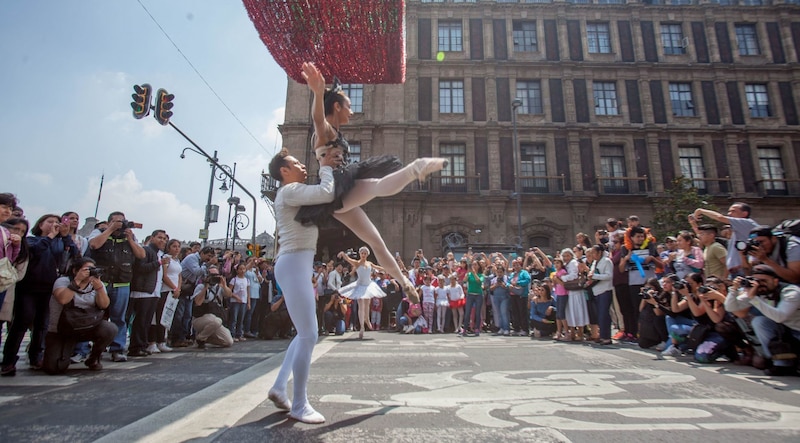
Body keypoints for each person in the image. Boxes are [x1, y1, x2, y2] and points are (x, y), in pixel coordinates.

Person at [294, 62, 446, 302]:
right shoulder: (325, 132)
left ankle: (403, 281)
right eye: (349, 106)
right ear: (336, 105)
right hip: (335, 187)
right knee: (375, 186)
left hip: (338, 198)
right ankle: (414, 169)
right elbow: (316, 118)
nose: (352, 112)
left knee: (376, 242)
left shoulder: (334, 132)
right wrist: (317, 92)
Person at [266, 144, 340, 424]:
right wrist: (326, 167)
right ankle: (299, 404)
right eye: (296, 163)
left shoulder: (290, 193)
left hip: (296, 264)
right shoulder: (291, 191)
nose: (302, 165)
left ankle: (279, 386)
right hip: (295, 263)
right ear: (284, 171)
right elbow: (326, 192)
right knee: (309, 334)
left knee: (303, 334)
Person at [2, 214, 79, 375]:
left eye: (56, 222)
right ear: (40, 224)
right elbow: (35, 252)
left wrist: (65, 237)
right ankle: (9, 360)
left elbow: (74, 255)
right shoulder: (31, 240)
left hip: (48, 289)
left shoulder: (59, 243)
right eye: (49, 222)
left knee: (42, 325)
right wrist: (51, 236)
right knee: (21, 323)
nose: (54, 225)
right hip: (28, 288)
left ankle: (36, 356)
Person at [86, 211, 146, 362]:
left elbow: (141, 255)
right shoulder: (100, 233)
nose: (120, 224)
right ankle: (87, 348)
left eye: (122, 221)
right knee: (94, 316)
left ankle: (117, 349)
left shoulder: (128, 237)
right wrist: (110, 229)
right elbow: (94, 245)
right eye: (116, 221)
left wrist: (130, 238)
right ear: (109, 222)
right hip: (102, 282)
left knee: (119, 318)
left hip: (122, 282)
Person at [42, 257, 117, 374]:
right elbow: (63, 299)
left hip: (87, 327)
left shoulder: (96, 284)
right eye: (86, 269)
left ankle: (93, 358)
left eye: (92, 269)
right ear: (75, 270)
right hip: (63, 329)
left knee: (110, 328)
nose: (89, 273)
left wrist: (100, 288)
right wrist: (76, 281)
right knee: (54, 368)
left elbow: (104, 305)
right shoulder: (63, 281)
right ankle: (64, 352)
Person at [725, 265, 800, 375]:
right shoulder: (756, 292)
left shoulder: (790, 292)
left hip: (797, 330)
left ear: (775, 281)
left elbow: (780, 316)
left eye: (764, 280)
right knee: (760, 322)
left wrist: (753, 299)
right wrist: (733, 290)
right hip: (784, 331)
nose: (760, 284)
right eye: (757, 281)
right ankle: (779, 363)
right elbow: (731, 307)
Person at [127, 230, 168, 357]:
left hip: (153, 291)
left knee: (146, 322)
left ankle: (142, 345)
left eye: (164, 238)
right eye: (159, 237)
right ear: (152, 238)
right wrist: (159, 263)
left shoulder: (157, 253)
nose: (162, 241)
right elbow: (141, 268)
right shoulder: (147, 250)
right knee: (141, 321)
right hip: (143, 291)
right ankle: (136, 347)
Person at [693, 203, 759, 278]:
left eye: (733, 211)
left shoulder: (747, 223)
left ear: (744, 213)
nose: (729, 214)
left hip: (743, 271)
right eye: (729, 211)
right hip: (735, 273)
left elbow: (720, 217)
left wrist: (700, 210)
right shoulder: (737, 231)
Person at [336, 246, 388, 339]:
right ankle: (362, 327)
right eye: (362, 253)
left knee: (367, 305)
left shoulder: (369, 263)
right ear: (360, 254)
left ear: (367, 254)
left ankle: (367, 320)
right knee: (361, 306)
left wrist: (387, 268)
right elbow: (349, 259)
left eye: (365, 253)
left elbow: (378, 267)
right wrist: (343, 254)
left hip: (368, 285)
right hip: (360, 285)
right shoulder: (357, 263)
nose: (363, 255)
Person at [150, 238, 182, 353]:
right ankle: (155, 341)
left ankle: (162, 340)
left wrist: (178, 288)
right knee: (160, 316)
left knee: (167, 317)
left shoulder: (177, 261)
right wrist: (174, 288)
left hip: (174, 291)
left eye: (178, 246)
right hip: (165, 290)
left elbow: (179, 275)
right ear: (169, 247)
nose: (177, 249)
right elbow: (164, 276)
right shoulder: (166, 258)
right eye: (174, 246)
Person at [191, 265, 234, 348]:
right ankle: (200, 338)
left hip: (216, 320)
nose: (215, 277)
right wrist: (206, 287)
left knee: (228, 341)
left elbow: (229, 295)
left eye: (216, 275)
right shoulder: (201, 287)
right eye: (212, 275)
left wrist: (224, 285)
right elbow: (198, 302)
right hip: (200, 319)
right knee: (216, 321)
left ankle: (205, 338)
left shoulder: (220, 287)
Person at [587, 245, 614, 345]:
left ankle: (607, 337)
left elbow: (609, 275)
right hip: (596, 290)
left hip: (605, 290)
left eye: (594, 253)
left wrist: (594, 276)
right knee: (599, 314)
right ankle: (602, 335)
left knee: (604, 314)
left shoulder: (607, 261)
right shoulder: (594, 262)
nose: (592, 255)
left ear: (600, 252)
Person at [461, 260, 484, 336]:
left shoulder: (481, 275)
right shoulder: (469, 274)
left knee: (478, 312)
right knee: (467, 312)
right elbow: (464, 281)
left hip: (478, 295)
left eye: (475, 265)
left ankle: (477, 328)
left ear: (478, 266)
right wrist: (467, 275)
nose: (474, 266)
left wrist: (474, 273)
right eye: (473, 265)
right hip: (470, 294)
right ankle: (465, 329)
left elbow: (479, 281)